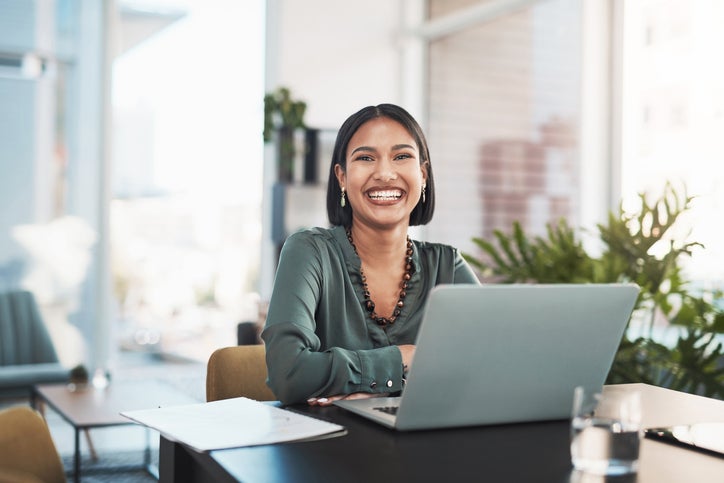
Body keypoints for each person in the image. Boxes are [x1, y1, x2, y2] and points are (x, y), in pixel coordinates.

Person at [261, 103, 479, 405]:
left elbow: (490, 367)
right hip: (325, 448)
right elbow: (289, 374)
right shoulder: (309, 251)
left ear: (423, 175)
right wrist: (404, 357)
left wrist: (372, 383)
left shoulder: (447, 267)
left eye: (402, 156)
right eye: (365, 158)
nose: (385, 173)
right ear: (341, 176)